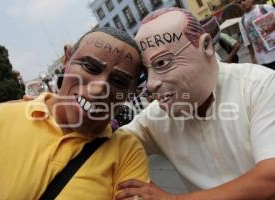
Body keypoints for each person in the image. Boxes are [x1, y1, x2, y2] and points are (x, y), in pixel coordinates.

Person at [115, 7, 275, 200]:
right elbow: (107, 147)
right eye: (146, 72)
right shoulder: (154, 119)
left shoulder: (260, 86)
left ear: (206, 46)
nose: (151, 84)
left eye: (162, 63)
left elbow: (269, 178)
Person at [0, 27, 150, 199]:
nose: (98, 90)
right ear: (66, 58)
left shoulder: (127, 151)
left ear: (131, 92)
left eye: (119, 81)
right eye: (90, 67)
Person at [238, 0, 275, 69]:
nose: (242, 3)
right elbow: (248, 43)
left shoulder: (265, 8)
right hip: (263, 61)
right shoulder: (242, 21)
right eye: (239, 2)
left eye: (244, 0)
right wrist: (253, 59)